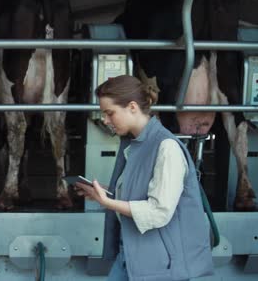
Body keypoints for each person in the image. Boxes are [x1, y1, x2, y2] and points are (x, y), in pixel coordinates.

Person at [75, 75, 214, 281]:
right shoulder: (134, 144)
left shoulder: (167, 147)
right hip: (133, 257)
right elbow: (138, 192)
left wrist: (109, 203)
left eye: (109, 113)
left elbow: (159, 212)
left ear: (132, 107)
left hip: (164, 267)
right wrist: (102, 194)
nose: (105, 120)